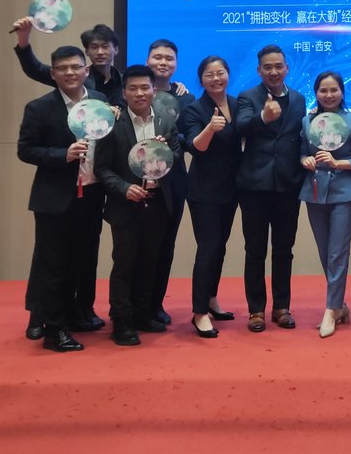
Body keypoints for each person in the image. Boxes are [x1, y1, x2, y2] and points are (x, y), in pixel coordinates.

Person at [17, 46, 108, 352]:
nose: (70, 73)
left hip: (92, 194)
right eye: (62, 68)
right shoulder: (39, 108)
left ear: (86, 70)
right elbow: (25, 150)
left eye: (75, 67)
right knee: (53, 265)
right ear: (53, 74)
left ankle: (73, 316)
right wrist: (62, 155)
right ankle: (53, 331)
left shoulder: (100, 101)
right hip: (54, 199)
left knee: (82, 261)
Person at [94, 65, 182, 346]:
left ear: (154, 90)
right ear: (124, 93)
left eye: (145, 87)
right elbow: (102, 168)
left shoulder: (165, 122)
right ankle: (121, 321)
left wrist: (165, 153)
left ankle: (143, 314)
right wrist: (124, 188)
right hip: (126, 205)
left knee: (149, 262)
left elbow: (177, 154)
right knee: (124, 264)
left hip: (157, 203)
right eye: (132, 88)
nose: (139, 93)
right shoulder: (113, 123)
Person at [236, 45, 306, 332]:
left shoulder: (299, 99)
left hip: (288, 185)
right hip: (254, 186)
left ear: (287, 68)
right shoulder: (247, 97)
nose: (274, 72)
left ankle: (282, 307)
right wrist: (263, 117)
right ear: (259, 70)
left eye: (279, 66)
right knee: (255, 250)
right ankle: (256, 310)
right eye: (268, 67)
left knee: (284, 249)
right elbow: (240, 127)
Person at [299, 72, 351, 338]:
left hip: (343, 192)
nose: (329, 95)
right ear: (316, 93)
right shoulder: (307, 121)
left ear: (342, 92)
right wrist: (305, 160)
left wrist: (338, 163)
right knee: (325, 251)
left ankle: (330, 309)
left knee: (337, 253)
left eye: (334, 90)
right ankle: (339, 305)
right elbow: (301, 152)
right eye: (323, 90)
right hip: (314, 191)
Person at [180, 56, 242, 338]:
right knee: (208, 248)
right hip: (204, 191)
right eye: (209, 74)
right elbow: (196, 147)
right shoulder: (195, 109)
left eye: (220, 73)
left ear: (228, 74)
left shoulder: (238, 104)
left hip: (231, 188)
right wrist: (210, 128)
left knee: (220, 247)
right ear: (201, 79)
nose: (216, 78)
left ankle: (211, 299)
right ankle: (199, 313)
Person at [145, 39, 195, 326]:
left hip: (174, 180)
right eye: (157, 57)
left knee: (166, 245)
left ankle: (155, 304)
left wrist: (170, 141)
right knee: (138, 246)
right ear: (148, 60)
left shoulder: (184, 98)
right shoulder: (136, 90)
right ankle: (131, 307)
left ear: (176, 64)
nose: (163, 62)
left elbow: (189, 138)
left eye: (169, 58)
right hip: (138, 179)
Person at [11, 19, 125, 105]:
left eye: (105, 47)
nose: (100, 52)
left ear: (116, 50)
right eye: (94, 47)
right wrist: (23, 39)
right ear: (87, 51)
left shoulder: (123, 80)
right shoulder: (74, 75)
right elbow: (35, 69)